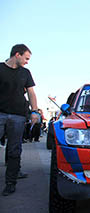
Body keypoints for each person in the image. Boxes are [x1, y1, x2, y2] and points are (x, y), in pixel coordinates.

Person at [0, 44, 39, 196]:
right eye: (26, 58)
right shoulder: (1, 69)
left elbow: (31, 93)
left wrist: (34, 112)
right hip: (0, 113)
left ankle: (10, 183)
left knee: (14, 149)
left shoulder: (26, 73)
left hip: (18, 115)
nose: (27, 62)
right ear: (17, 54)